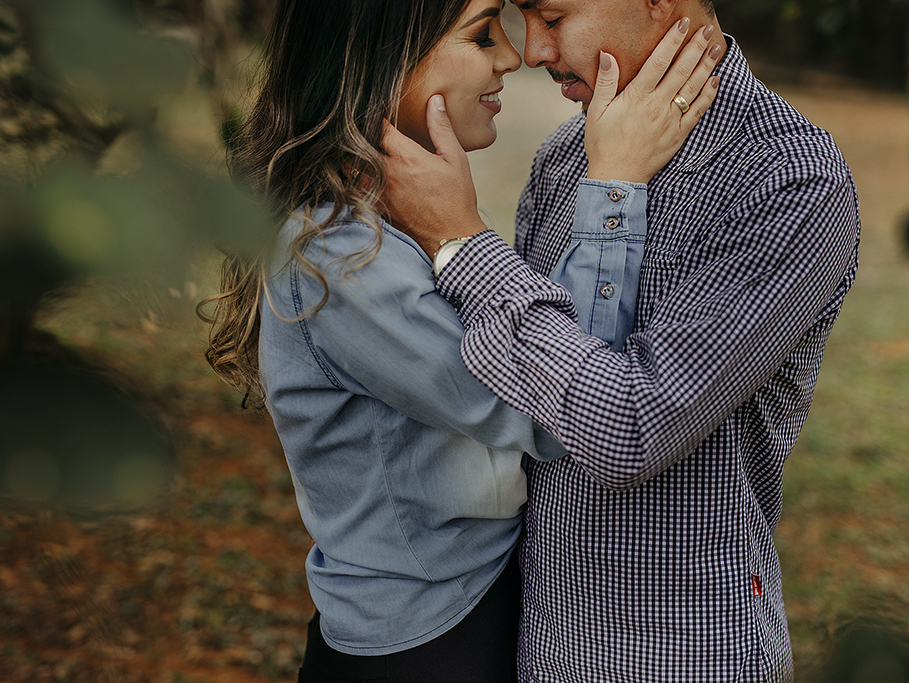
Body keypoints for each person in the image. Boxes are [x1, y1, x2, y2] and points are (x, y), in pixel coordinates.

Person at [199, 0, 719, 681]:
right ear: (387, 62)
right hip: (426, 646)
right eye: (481, 35)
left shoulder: (385, 216)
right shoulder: (336, 255)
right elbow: (554, 407)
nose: (512, 56)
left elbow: (522, 343)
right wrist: (614, 186)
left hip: (472, 608)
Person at [381, 0, 862, 681]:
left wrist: (462, 244)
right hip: (536, 642)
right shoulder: (562, 157)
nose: (535, 52)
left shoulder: (789, 180)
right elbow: (533, 400)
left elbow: (630, 428)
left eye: (553, 16)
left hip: (681, 655)